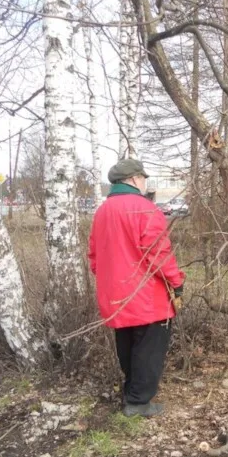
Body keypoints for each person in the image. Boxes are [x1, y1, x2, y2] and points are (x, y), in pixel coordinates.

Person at [88, 159, 185, 418]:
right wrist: (177, 282)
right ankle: (138, 403)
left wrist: (112, 281)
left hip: (116, 296)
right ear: (132, 180)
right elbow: (159, 255)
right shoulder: (144, 209)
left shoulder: (102, 211)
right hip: (147, 296)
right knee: (148, 349)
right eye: (143, 178)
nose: (145, 182)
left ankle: (130, 392)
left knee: (128, 345)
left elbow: (94, 257)